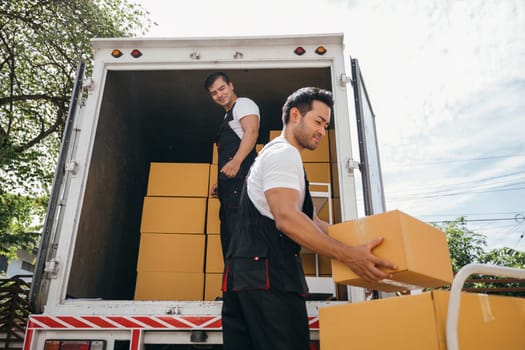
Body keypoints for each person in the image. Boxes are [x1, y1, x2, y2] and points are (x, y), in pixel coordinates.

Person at [220, 86, 397, 350]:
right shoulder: (283, 154)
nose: (321, 131)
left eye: (326, 126)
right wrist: (349, 256)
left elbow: (312, 222)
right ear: (294, 115)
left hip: (250, 279)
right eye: (318, 121)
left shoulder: (280, 157)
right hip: (267, 281)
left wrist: (364, 247)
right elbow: (287, 218)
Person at [204, 72, 260, 257]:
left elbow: (251, 132)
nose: (219, 95)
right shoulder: (228, 116)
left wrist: (236, 162)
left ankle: (246, 284)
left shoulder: (243, 104)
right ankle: (234, 284)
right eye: (214, 93)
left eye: (222, 88)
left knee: (241, 242)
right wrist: (221, 184)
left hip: (242, 187)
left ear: (231, 85)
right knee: (230, 243)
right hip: (230, 191)